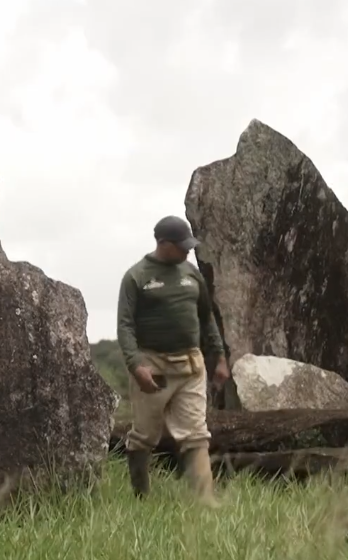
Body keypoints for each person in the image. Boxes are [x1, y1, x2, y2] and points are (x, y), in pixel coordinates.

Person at [116, 215, 229, 507]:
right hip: (153, 366)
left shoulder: (192, 273)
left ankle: (206, 501)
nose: (187, 250)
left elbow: (207, 318)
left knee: (196, 434)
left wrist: (220, 358)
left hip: (191, 365)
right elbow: (125, 326)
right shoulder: (136, 276)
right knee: (144, 435)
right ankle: (141, 498)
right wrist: (136, 365)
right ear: (163, 244)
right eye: (182, 246)